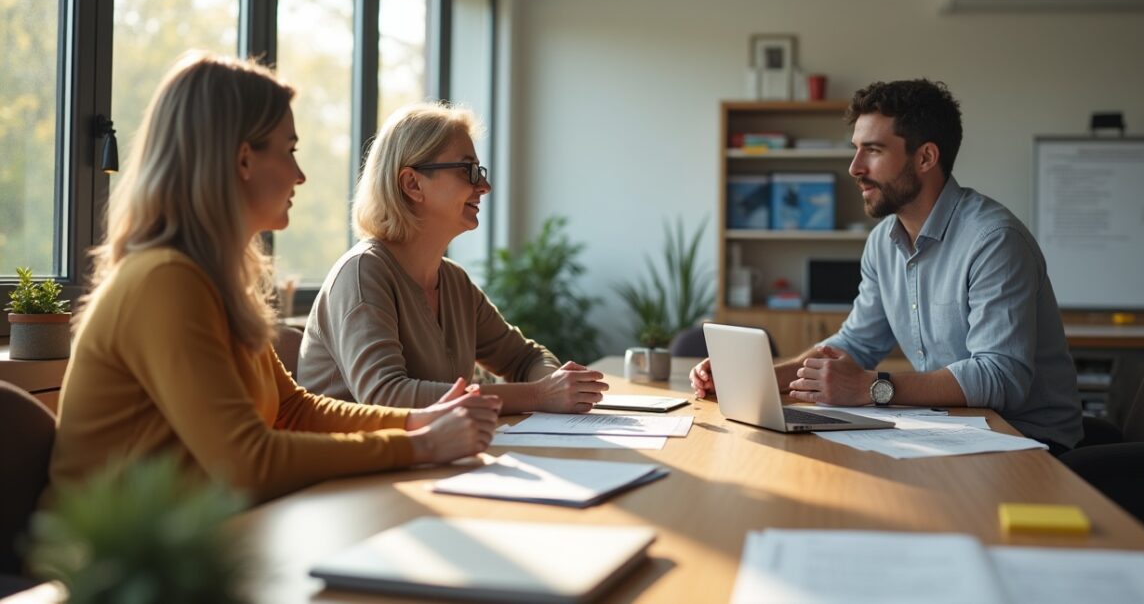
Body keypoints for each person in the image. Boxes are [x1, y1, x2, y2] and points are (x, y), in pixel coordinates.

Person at [48, 53, 501, 504]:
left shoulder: (214, 280)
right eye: (289, 150)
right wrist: (419, 445)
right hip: (118, 566)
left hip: (195, 543)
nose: (300, 175)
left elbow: (292, 408)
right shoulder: (165, 281)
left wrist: (415, 422)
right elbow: (246, 462)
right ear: (244, 159)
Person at [691, 79, 1083, 451]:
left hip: (1028, 442)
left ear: (926, 157)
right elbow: (854, 346)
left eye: (873, 150)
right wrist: (749, 379)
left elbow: (1001, 377)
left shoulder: (994, 241)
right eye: (856, 148)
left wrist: (871, 388)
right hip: (955, 429)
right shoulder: (883, 242)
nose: (854, 167)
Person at [298, 103, 608, 414]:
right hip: (362, 460)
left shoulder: (454, 281)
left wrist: (557, 385)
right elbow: (386, 395)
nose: (484, 187)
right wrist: (537, 395)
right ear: (412, 184)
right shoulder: (362, 273)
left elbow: (524, 358)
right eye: (467, 170)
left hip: (427, 458)